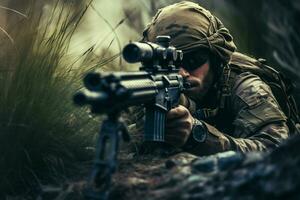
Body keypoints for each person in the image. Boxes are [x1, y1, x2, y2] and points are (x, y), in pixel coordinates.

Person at [131, 1, 293, 156]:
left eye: (193, 60)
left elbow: (278, 151)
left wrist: (198, 136)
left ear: (215, 59)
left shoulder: (247, 89)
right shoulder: (155, 88)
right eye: (167, 64)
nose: (181, 73)